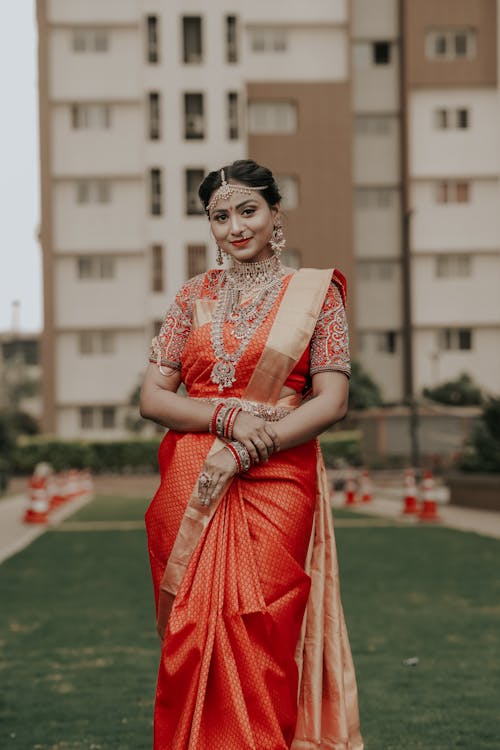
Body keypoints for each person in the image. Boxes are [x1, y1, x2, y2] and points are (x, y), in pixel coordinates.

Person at [140, 159, 363, 750]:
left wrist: (254, 443)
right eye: (221, 216)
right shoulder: (191, 297)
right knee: (191, 626)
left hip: (278, 473)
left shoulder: (317, 294)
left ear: (274, 214)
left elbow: (332, 400)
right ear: (209, 225)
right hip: (192, 474)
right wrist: (225, 418)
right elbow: (152, 398)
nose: (236, 227)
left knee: (261, 621)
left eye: (247, 211)